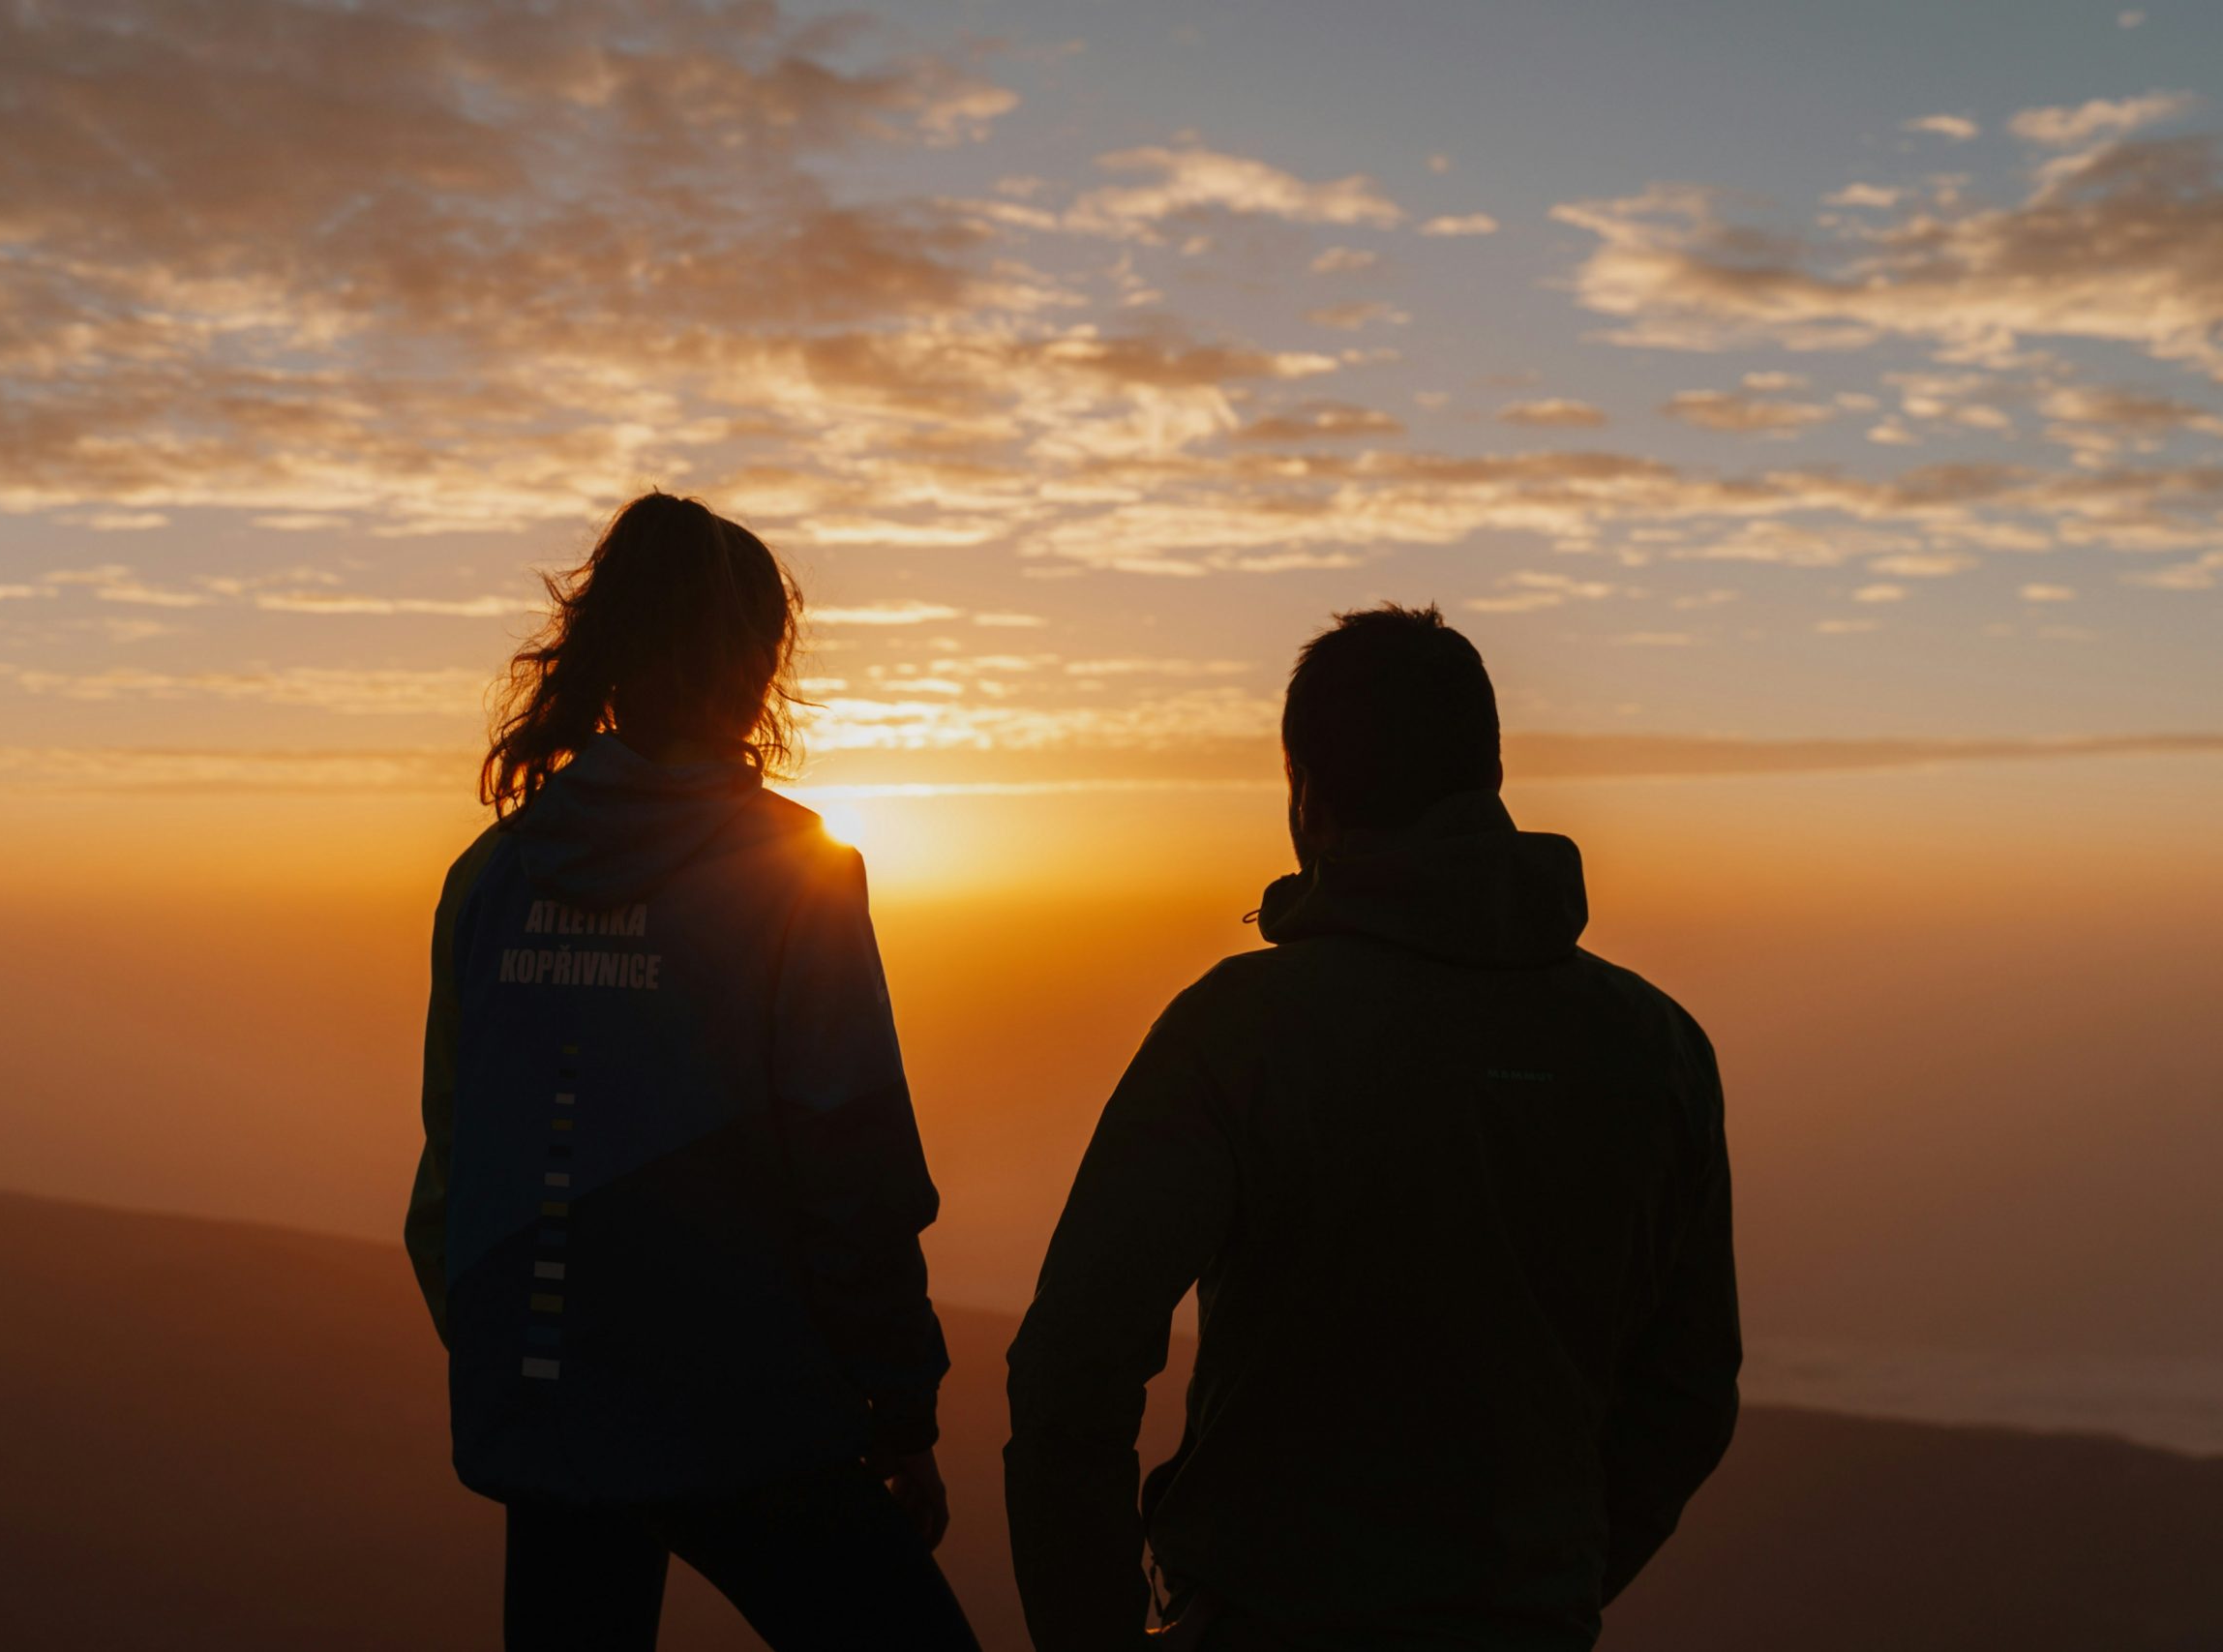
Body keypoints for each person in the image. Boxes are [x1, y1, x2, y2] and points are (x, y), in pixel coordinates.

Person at [1005, 604, 1741, 1651]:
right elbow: (1687, 1391)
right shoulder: (1659, 1046)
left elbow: (1072, 1364)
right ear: (1489, 773)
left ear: (1306, 792)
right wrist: (1541, 1581)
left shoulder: (1241, 1029)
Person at [405, 492, 978, 1652]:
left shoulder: (491, 879)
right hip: (748, 1410)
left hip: (547, 1410)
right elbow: (852, 1163)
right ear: (758, 666)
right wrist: (900, 1403)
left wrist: (517, 1358)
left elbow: (451, 1175)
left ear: (605, 652)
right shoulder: (794, 874)